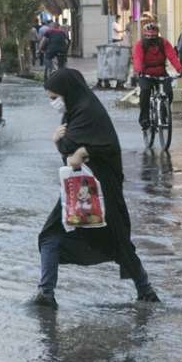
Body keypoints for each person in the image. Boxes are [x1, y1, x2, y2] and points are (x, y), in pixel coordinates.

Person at [33, 68, 161, 309]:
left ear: (67, 92)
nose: (53, 103)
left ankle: (146, 291)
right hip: (79, 191)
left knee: (119, 241)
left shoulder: (90, 113)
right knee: (50, 236)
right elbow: (69, 155)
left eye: (54, 97)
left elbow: (96, 147)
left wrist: (71, 146)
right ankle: (46, 293)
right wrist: (64, 144)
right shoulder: (75, 113)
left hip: (103, 192)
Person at [133, 21, 182, 131]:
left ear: (157, 35)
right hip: (145, 74)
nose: (151, 39)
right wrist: (138, 70)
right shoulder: (140, 44)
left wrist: (180, 70)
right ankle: (144, 118)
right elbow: (138, 58)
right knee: (145, 92)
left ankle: (163, 114)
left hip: (161, 73)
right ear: (145, 36)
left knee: (169, 93)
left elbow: (172, 57)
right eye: (148, 37)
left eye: (153, 37)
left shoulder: (163, 43)